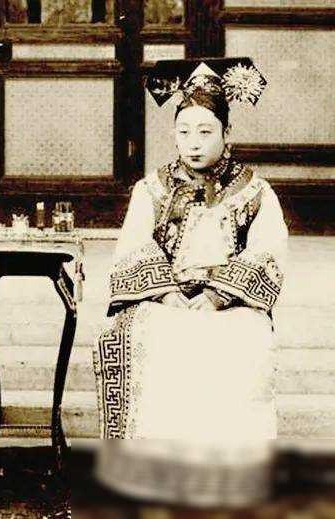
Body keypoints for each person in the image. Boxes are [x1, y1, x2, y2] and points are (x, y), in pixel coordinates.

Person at [93, 58, 288, 507]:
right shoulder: (152, 188)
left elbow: (268, 252)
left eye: (205, 131)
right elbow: (134, 246)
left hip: (230, 304)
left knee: (243, 340)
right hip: (163, 299)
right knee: (145, 335)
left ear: (227, 134)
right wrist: (166, 293)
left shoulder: (254, 190)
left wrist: (218, 297)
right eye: (184, 132)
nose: (193, 143)